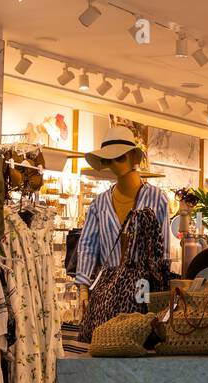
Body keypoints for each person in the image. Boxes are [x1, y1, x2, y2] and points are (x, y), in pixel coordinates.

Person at [72, 127, 172, 332]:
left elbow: (164, 251)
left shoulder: (156, 199)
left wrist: (163, 289)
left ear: (132, 157)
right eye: (108, 160)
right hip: (108, 288)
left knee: (140, 335)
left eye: (119, 158)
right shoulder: (99, 204)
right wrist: (83, 287)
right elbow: (88, 247)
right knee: (109, 339)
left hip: (143, 284)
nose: (114, 165)